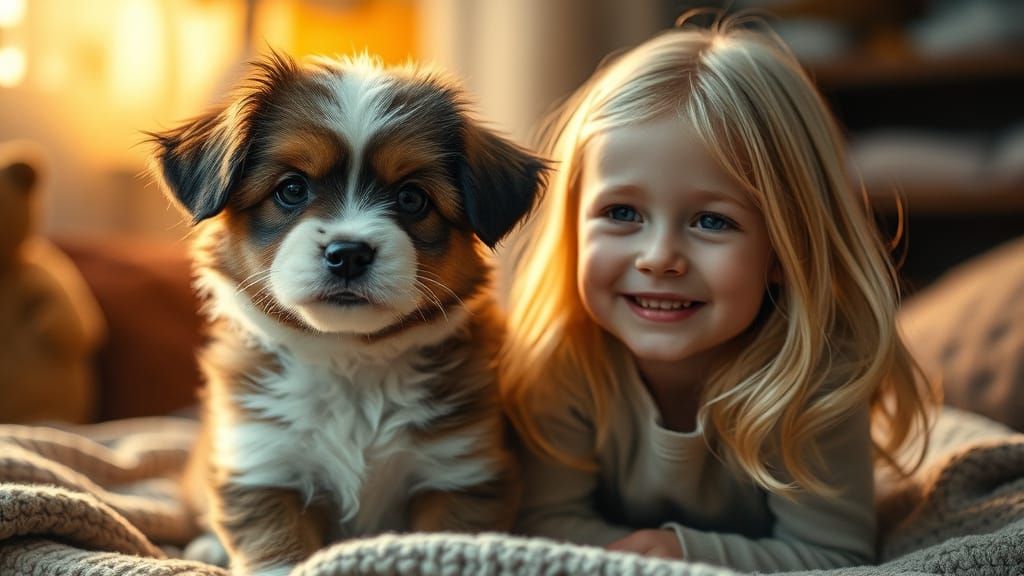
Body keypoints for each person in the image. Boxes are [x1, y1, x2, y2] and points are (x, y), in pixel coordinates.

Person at [500, 12, 939, 572]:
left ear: (785, 251)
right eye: (622, 212)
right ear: (573, 230)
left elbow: (833, 556)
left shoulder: (816, 380)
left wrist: (683, 553)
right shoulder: (560, 364)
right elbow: (538, 523)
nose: (658, 257)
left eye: (711, 221)